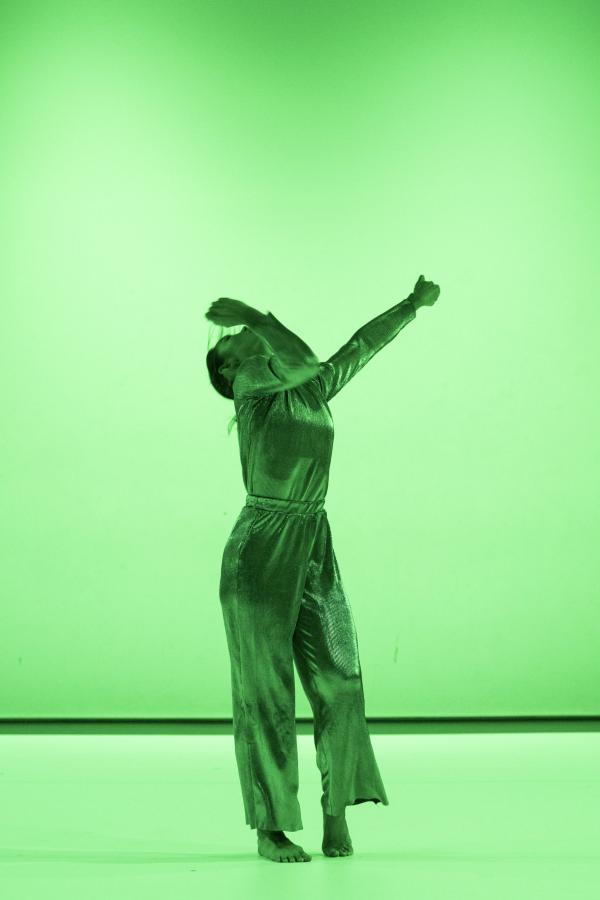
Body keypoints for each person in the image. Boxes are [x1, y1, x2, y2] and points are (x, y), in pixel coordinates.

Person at [205, 276, 440, 862]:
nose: (241, 334)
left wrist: (410, 306)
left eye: (244, 331)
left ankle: (337, 813)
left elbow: (359, 347)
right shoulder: (252, 387)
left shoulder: (309, 391)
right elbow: (303, 359)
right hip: (259, 551)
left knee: (342, 680)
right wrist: (258, 316)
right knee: (265, 694)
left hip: (313, 541)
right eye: (231, 340)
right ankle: (271, 828)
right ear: (229, 371)